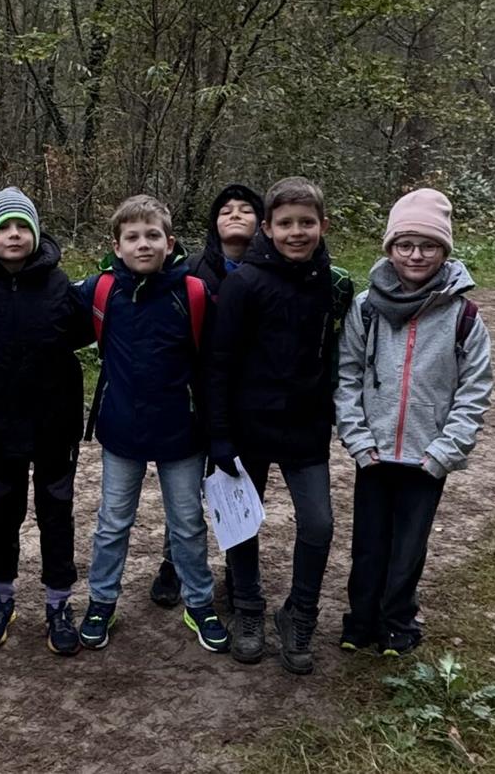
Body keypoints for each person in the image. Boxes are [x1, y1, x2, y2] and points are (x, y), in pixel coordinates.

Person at [335, 188, 492, 656]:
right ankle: (360, 619)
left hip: (427, 455)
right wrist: (359, 440)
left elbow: (474, 389)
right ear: (390, 249)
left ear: (445, 250)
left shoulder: (463, 316)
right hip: (376, 451)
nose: (416, 255)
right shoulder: (366, 307)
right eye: (405, 245)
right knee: (367, 543)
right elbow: (347, 375)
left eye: (428, 246)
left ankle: (398, 620)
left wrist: (445, 451)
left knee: (408, 546)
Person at [207, 177, 352, 673]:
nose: (296, 233)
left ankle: (300, 613)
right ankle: (247, 608)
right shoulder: (244, 283)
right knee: (243, 521)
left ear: (323, 226)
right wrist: (220, 433)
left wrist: (330, 408)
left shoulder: (331, 281)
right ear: (265, 228)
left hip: (305, 427)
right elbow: (219, 361)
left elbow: (334, 354)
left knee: (318, 523)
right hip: (247, 427)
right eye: (285, 224)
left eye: (306, 223)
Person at [74, 195, 230, 654]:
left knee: (186, 523)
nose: (143, 245)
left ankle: (198, 601)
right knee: (111, 523)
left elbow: (216, 364)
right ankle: (102, 600)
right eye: (133, 237)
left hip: (182, 432)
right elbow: (50, 322)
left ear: (169, 242)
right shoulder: (102, 291)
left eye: (153, 236)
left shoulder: (194, 293)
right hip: (121, 431)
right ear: (117, 246)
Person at [0, 188, 87, 656]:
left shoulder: (58, 281)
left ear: (35, 232)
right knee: (3, 509)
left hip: (55, 422)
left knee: (56, 511)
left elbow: (91, 324)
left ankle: (58, 601)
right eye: (4, 227)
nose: (14, 235)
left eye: (23, 227)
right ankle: (0, 595)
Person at [150, 184, 264, 608]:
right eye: (225, 210)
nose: (235, 215)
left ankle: (240, 569)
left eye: (246, 209)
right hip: (194, 396)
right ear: (214, 222)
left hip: (249, 398)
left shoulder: (272, 269)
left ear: (262, 222)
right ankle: (173, 562)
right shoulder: (192, 271)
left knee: (240, 483)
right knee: (185, 489)